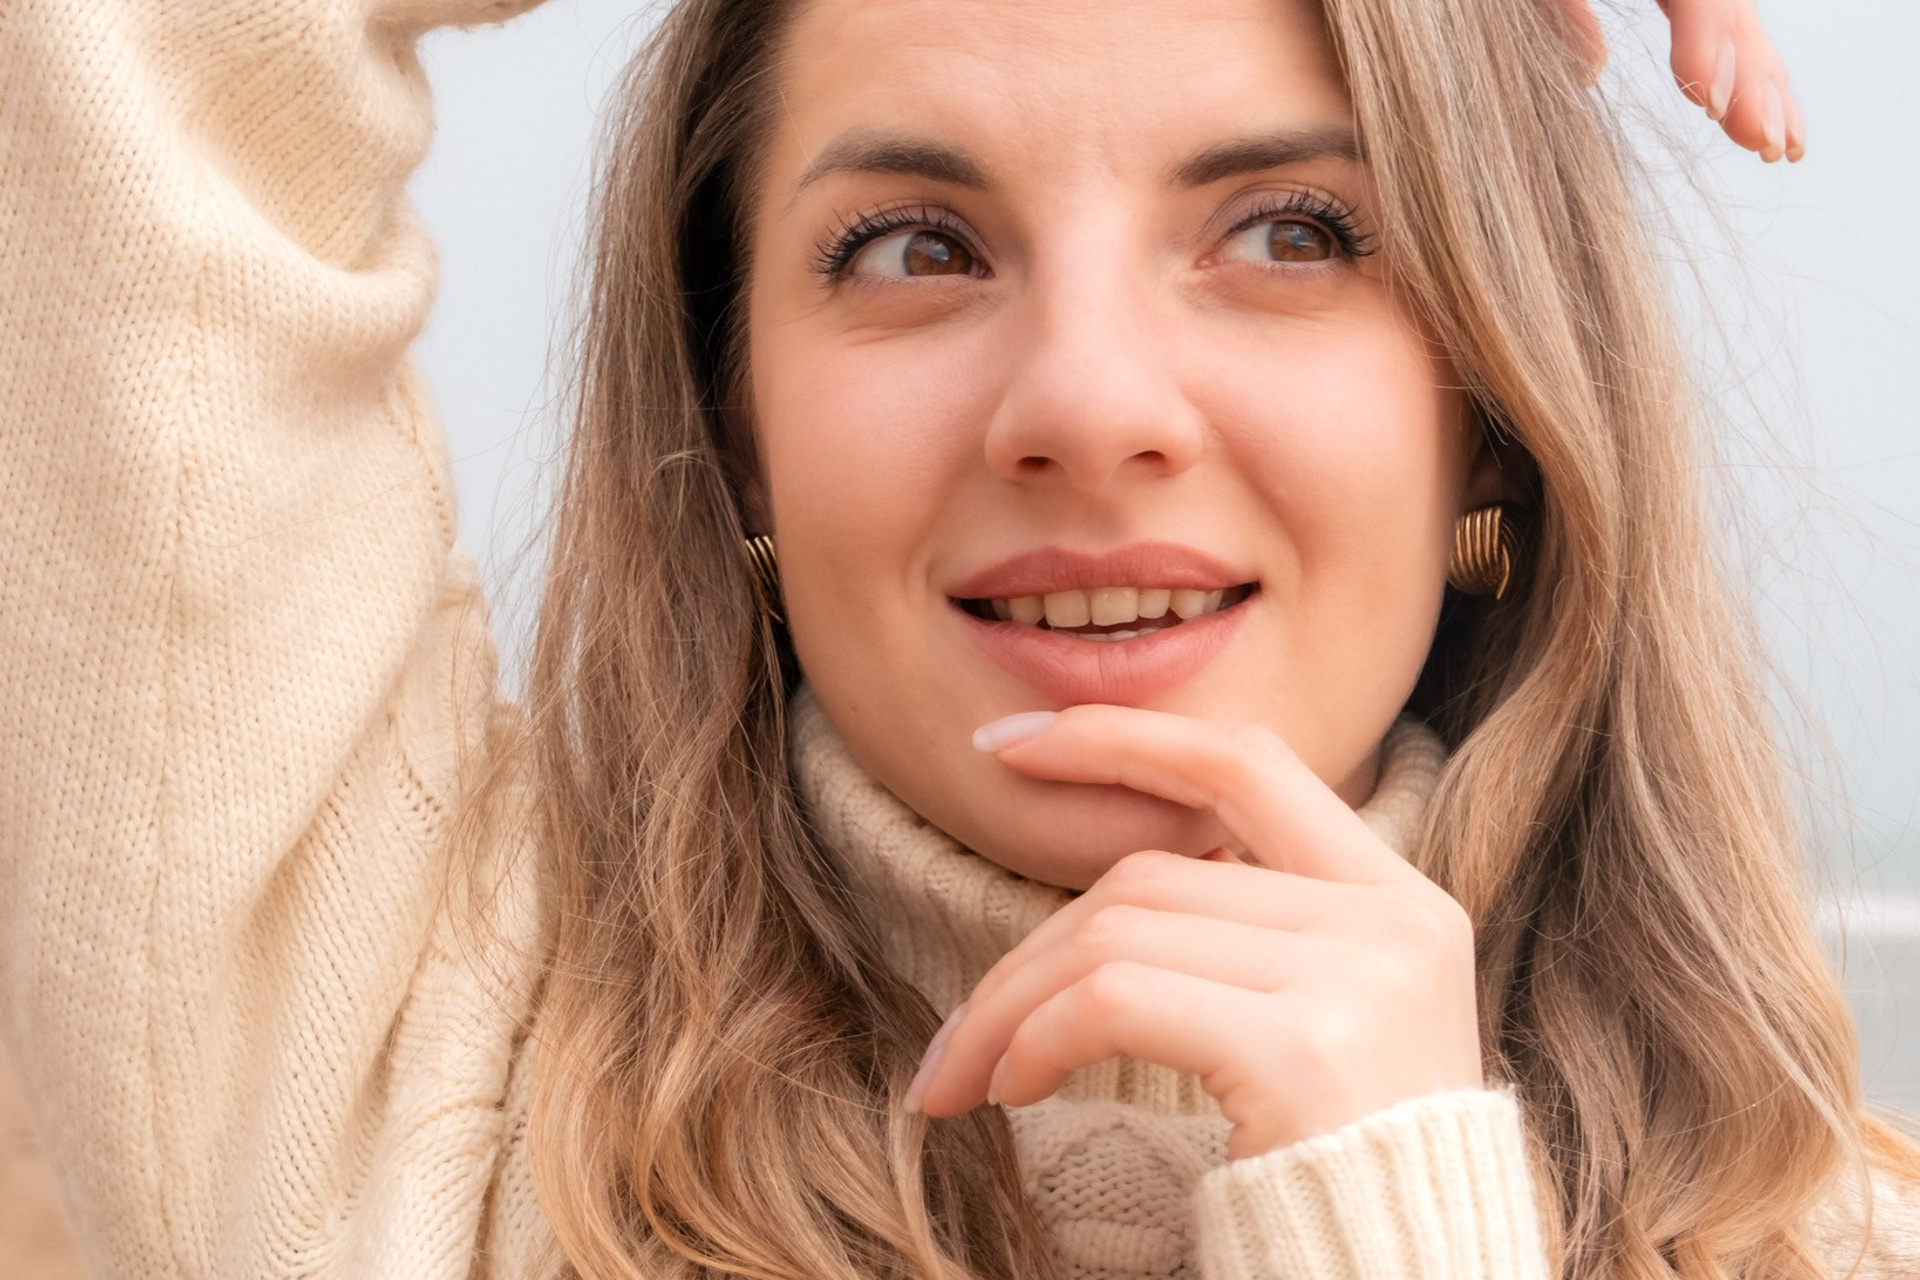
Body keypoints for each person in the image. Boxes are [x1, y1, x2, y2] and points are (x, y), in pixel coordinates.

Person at [2, 0, 1912, 1277]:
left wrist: (1397, 1218)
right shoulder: (418, 1084)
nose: (1089, 404)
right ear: (735, 419)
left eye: (1292, 231)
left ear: (1494, 398)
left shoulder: (1832, 1240)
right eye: (917, 247)